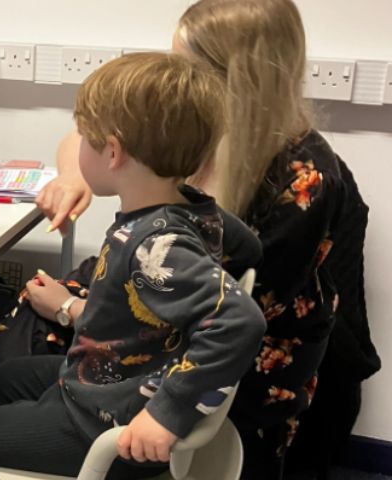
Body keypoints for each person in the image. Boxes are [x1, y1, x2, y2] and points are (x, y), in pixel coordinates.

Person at [37, 1, 379, 478]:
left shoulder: (304, 181)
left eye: (185, 64)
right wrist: (73, 175)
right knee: (13, 340)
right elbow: (89, 136)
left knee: (37, 345)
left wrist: (72, 310)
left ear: (235, 80)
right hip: (158, 291)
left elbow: (224, 317)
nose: (173, 76)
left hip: (215, 341)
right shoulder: (192, 122)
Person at [0, 52, 267, 480]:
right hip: (119, 376)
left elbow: (241, 322)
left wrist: (165, 414)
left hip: (110, 420)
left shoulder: (153, 245)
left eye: (85, 138)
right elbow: (248, 251)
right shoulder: (194, 208)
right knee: (7, 377)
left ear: (112, 152)